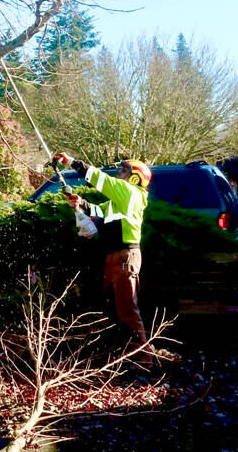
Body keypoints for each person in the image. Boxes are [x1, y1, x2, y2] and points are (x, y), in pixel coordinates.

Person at [53, 153, 153, 365]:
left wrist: (72, 162)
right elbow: (99, 213)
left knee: (127, 310)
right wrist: (81, 203)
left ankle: (144, 361)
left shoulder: (131, 193)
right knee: (114, 309)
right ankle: (123, 356)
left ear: (135, 178)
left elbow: (101, 179)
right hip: (116, 258)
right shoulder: (122, 201)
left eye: (124, 170)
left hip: (126, 257)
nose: (119, 173)